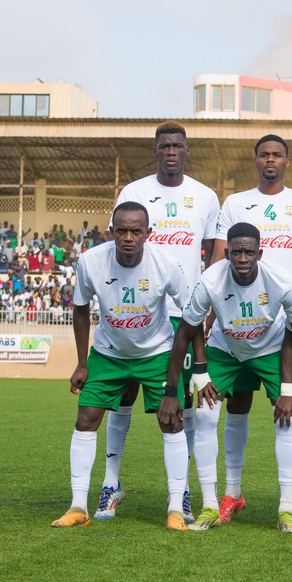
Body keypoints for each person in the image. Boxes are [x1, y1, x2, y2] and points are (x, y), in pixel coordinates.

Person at [95, 121, 220, 524]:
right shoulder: (133, 192)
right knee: (122, 395)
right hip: (137, 310)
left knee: (181, 405)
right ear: (155, 151)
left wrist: (207, 298)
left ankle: (180, 493)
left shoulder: (204, 196)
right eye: (164, 145)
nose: (170, 151)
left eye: (177, 146)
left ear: (186, 151)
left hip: (184, 313)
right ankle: (111, 484)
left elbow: (211, 252)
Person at [161, 222, 292, 532]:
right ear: (227, 253)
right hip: (224, 350)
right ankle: (209, 505)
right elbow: (184, 334)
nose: (243, 258)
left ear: (259, 253)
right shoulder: (210, 280)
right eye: (236, 252)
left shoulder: (281, 281)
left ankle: (286, 508)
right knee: (205, 416)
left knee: (286, 417)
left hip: (270, 349)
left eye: (249, 252)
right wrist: (180, 383)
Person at [51, 202, 194, 531]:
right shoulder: (90, 261)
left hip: (156, 352)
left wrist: (195, 368)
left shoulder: (166, 264)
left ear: (148, 234)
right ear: (110, 231)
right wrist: (81, 362)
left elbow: (191, 316)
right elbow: (81, 309)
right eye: (122, 231)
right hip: (109, 353)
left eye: (136, 231)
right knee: (85, 419)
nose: (128, 237)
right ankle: (77, 505)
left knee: (172, 422)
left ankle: (174, 507)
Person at [212, 134, 292, 522]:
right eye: (264, 154)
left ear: (287, 162)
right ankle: (232, 493)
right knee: (235, 406)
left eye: (277, 155)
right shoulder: (234, 203)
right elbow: (217, 262)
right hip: (237, 324)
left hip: (284, 328)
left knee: (287, 410)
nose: (270, 160)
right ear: (255, 160)